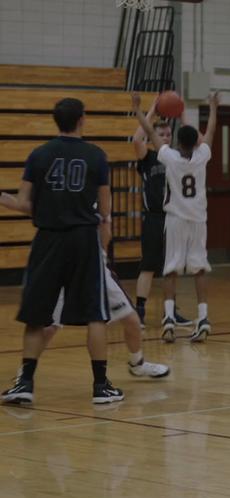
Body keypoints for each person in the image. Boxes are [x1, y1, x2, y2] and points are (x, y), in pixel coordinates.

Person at [0, 98, 124, 404]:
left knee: (36, 313)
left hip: (49, 239)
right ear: (82, 119)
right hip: (83, 239)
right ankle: (100, 386)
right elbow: (105, 207)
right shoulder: (96, 155)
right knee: (95, 314)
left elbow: (25, 205)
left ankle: (25, 383)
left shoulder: (38, 154)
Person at [133, 92, 218, 344]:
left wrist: (138, 110)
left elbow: (148, 131)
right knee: (199, 268)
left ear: (177, 142)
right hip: (198, 221)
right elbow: (211, 131)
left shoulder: (169, 156)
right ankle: (203, 317)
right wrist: (212, 107)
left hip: (175, 220)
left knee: (170, 270)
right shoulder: (203, 155)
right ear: (196, 143)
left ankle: (168, 317)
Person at [131, 100, 192, 329]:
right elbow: (137, 139)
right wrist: (152, 112)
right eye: (162, 133)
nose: (166, 137)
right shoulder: (147, 157)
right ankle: (139, 311)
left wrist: (183, 112)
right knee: (148, 266)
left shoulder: (177, 158)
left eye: (168, 134)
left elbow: (193, 139)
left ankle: (171, 312)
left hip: (174, 218)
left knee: (172, 267)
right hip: (154, 218)